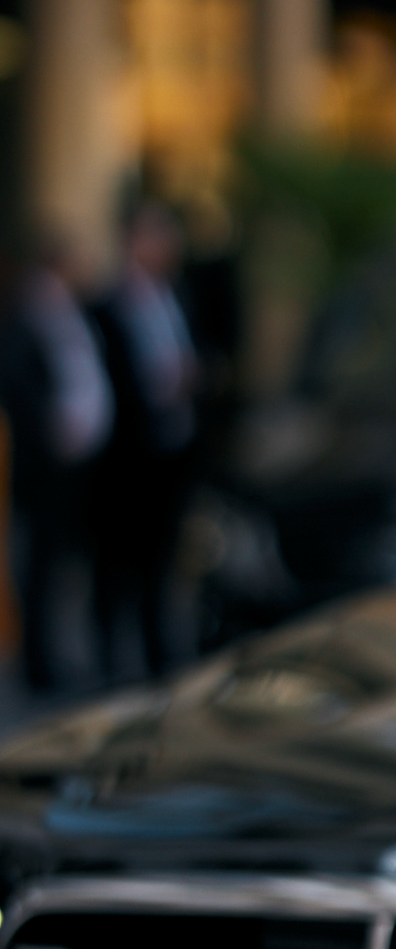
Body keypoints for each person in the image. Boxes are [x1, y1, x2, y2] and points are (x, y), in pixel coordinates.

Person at [89, 199, 200, 679]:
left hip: (171, 451)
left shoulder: (177, 296)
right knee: (116, 567)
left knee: (162, 564)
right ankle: (110, 661)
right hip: (124, 459)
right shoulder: (104, 306)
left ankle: (160, 660)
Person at [0, 235, 114, 693]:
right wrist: (51, 429)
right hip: (43, 462)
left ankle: (52, 655)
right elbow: (18, 384)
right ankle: (37, 662)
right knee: (40, 566)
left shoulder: (72, 311)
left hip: (76, 460)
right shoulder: (28, 314)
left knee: (62, 564)